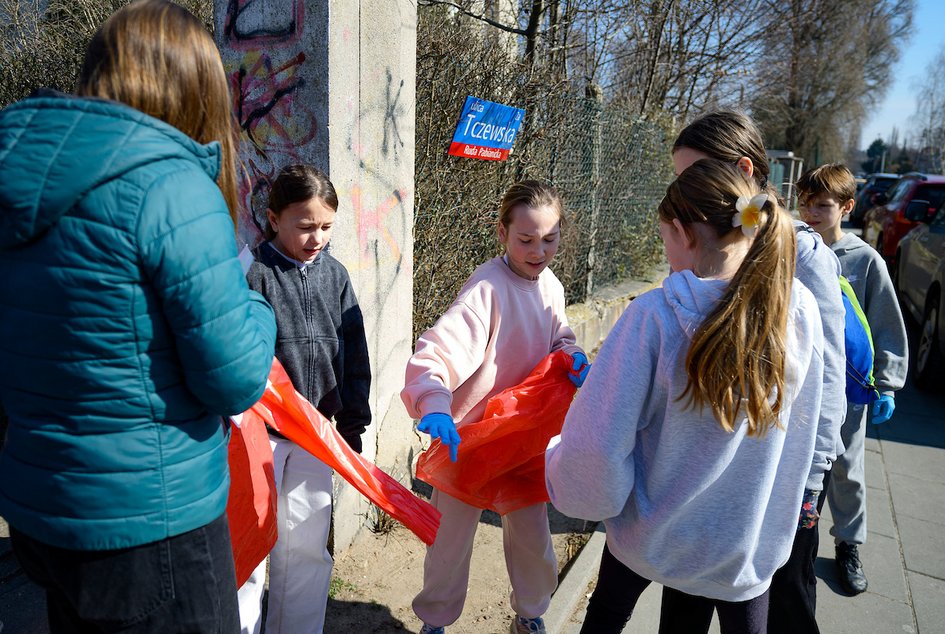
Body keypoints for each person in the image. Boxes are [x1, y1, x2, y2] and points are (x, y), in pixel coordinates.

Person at [0, 1, 277, 631]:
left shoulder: (18, 177)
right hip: (151, 524)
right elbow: (234, 379)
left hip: (42, 510)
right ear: (195, 86)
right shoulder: (174, 189)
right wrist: (257, 307)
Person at [546, 159, 824, 634]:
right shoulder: (796, 310)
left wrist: (569, 477)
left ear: (681, 231)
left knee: (608, 614)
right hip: (742, 545)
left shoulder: (653, 317)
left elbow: (598, 444)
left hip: (647, 535)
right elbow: (802, 432)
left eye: (664, 238)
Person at [671, 110, 846, 634]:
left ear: (744, 171)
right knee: (686, 602)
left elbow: (827, 376)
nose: (681, 192)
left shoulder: (805, 257)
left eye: (691, 176)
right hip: (710, 480)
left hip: (781, 486)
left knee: (783, 609)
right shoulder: (705, 242)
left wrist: (811, 484)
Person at [401, 180, 590, 634]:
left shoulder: (552, 286)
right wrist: (435, 402)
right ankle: (435, 621)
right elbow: (438, 352)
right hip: (470, 438)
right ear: (501, 232)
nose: (538, 250)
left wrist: (572, 354)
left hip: (523, 438)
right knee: (450, 537)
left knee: (532, 535)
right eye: (525, 239)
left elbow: (559, 336)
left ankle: (532, 613)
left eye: (550, 238)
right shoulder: (486, 288)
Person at [238, 165, 372, 634]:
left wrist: (353, 425)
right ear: (274, 219)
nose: (318, 237)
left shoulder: (335, 275)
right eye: (306, 225)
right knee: (250, 550)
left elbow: (354, 352)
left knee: (308, 549)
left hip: (316, 435)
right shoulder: (250, 273)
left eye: (327, 226)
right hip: (259, 442)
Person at [798, 163, 908, 595]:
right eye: (805, 203)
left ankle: (848, 544)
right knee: (800, 461)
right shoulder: (794, 251)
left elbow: (885, 322)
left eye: (822, 205)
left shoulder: (864, 260)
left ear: (847, 206)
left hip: (850, 386)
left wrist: (888, 382)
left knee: (846, 467)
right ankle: (791, 536)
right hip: (803, 382)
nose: (810, 213)